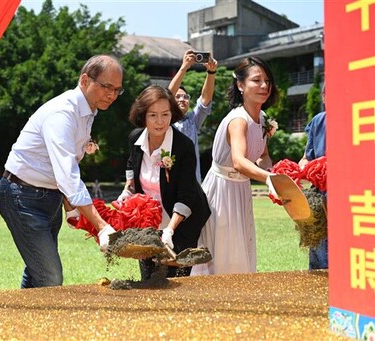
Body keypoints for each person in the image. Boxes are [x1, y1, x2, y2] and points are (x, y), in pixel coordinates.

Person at [0, 54, 122, 289]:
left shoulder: (88, 110)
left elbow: (65, 163)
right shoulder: (62, 114)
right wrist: (102, 226)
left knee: (38, 271)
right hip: (22, 195)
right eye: (107, 87)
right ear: (85, 80)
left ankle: (26, 325)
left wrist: (69, 207)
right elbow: (67, 172)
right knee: (50, 276)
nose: (112, 95)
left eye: (117, 90)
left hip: (48, 196)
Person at [191, 56, 279, 276]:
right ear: (240, 85)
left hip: (240, 190)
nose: (264, 86)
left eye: (267, 81)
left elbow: (263, 156)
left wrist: (272, 171)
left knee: (241, 249)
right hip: (221, 191)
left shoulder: (263, 119)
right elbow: (239, 161)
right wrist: (268, 179)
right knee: (222, 253)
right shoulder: (238, 120)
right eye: (256, 80)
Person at [117, 84, 211, 280]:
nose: (160, 122)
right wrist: (128, 189)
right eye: (153, 115)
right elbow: (130, 164)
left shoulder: (183, 146)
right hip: (149, 220)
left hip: (183, 219)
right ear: (142, 115)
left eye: (165, 114)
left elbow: (186, 195)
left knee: (175, 277)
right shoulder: (135, 138)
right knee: (149, 275)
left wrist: (169, 230)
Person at [167, 49, 218, 182]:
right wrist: (184, 67)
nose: (182, 99)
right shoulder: (164, 120)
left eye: (185, 96)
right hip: (169, 182)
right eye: (178, 97)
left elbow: (205, 100)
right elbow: (167, 96)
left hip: (192, 182)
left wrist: (211, 72)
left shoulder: (192, 120)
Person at [298, 84, 327, 270]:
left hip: (351, 197)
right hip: (319, 197)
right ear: (324, 97)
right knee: (318, 256)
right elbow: (307, 157)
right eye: (327, 93)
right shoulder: (318, 121)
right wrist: (301, 168)